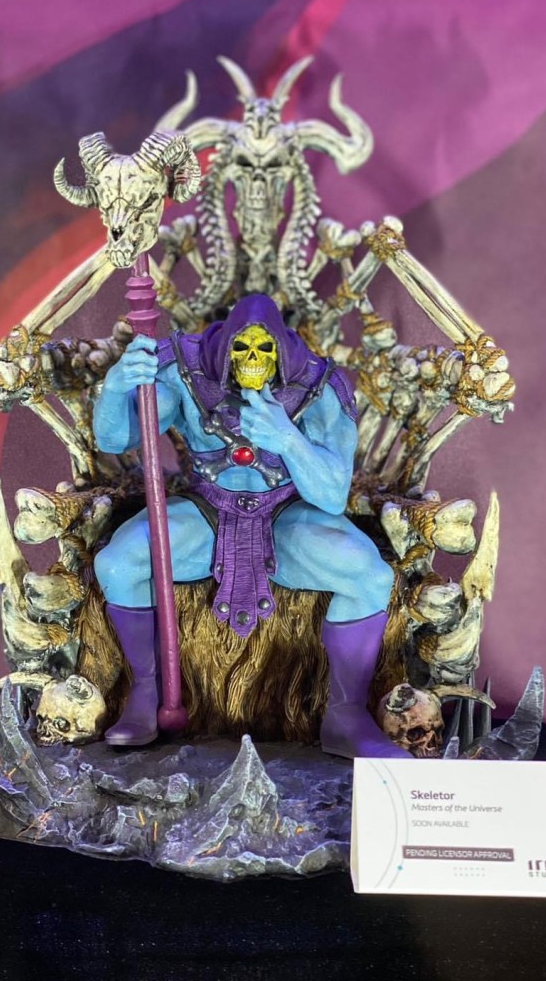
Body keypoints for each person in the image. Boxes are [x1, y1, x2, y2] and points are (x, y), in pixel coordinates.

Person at [93, 293, 406, 758]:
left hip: (285, 513)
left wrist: (287, 439)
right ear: (225, 352)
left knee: (370, 576)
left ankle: (346, 715)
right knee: (118, 564)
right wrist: (117, 387)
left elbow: (331, 496)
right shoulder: (186, 370)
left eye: (264, 349)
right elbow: (116, 438)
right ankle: (145, 693)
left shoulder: (319, 386)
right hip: (209, 508)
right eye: (241, 349)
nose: (253, 359)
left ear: (280, 352)